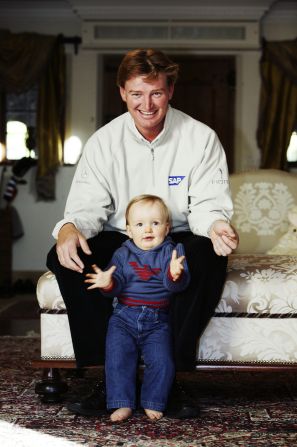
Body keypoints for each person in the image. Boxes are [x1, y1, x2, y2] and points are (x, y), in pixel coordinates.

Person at [47, 48, 239, 418]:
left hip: (180, 235)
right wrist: (69, 228)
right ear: (122, 92)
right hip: (122, 237)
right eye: (136, 93)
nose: (146, 104)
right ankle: (105, 376)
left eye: (156, 93)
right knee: (67, 253)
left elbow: (207, 206)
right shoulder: (103, 142)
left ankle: (171, 380)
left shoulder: (200, 138)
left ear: (170, 91)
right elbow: (87, 208)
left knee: (209, 255)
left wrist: (217, 227)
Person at [85, 194, 190, 422]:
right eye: (140, 224)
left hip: (158, 319)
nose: (148, 229)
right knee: (118, 358)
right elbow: (116, 285)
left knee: (162, 362)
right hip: (124, 317)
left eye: (155, 223)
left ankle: (153, 400)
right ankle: (122, 403)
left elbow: (178, 286)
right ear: (129, 230)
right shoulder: (123, 254)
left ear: (167, 227)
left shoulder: (173, 252)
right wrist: (107, 283)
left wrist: (174, 274)